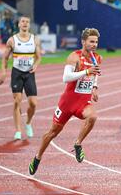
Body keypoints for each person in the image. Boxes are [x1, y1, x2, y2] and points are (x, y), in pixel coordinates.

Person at [28, 28, 102, 175]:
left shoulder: (97, 58)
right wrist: (86, 72)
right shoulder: (74, 57)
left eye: (96, 42)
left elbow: (96, 73)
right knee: (52, 133)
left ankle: (78, 144)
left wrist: (94, 87)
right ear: (83, 41)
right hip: (67, 103)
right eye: (91, 41)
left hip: (83, 102)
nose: (94, 44)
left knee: (93, 116)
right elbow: (66, 78)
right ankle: (37, 157)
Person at [0, 16, 42, 140]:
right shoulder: (12, 40)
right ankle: (18, 130)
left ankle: (27, 123)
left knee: (33, 103)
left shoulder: (35, 39)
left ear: (29, 25)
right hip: (17, 73)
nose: (25, 23)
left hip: (29, 74)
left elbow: (38, 57)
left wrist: (36, 65)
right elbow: (5, 58)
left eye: (27, 22)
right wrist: (4, 73)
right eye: (23, 21)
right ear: (19, 24)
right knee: (17, 100)